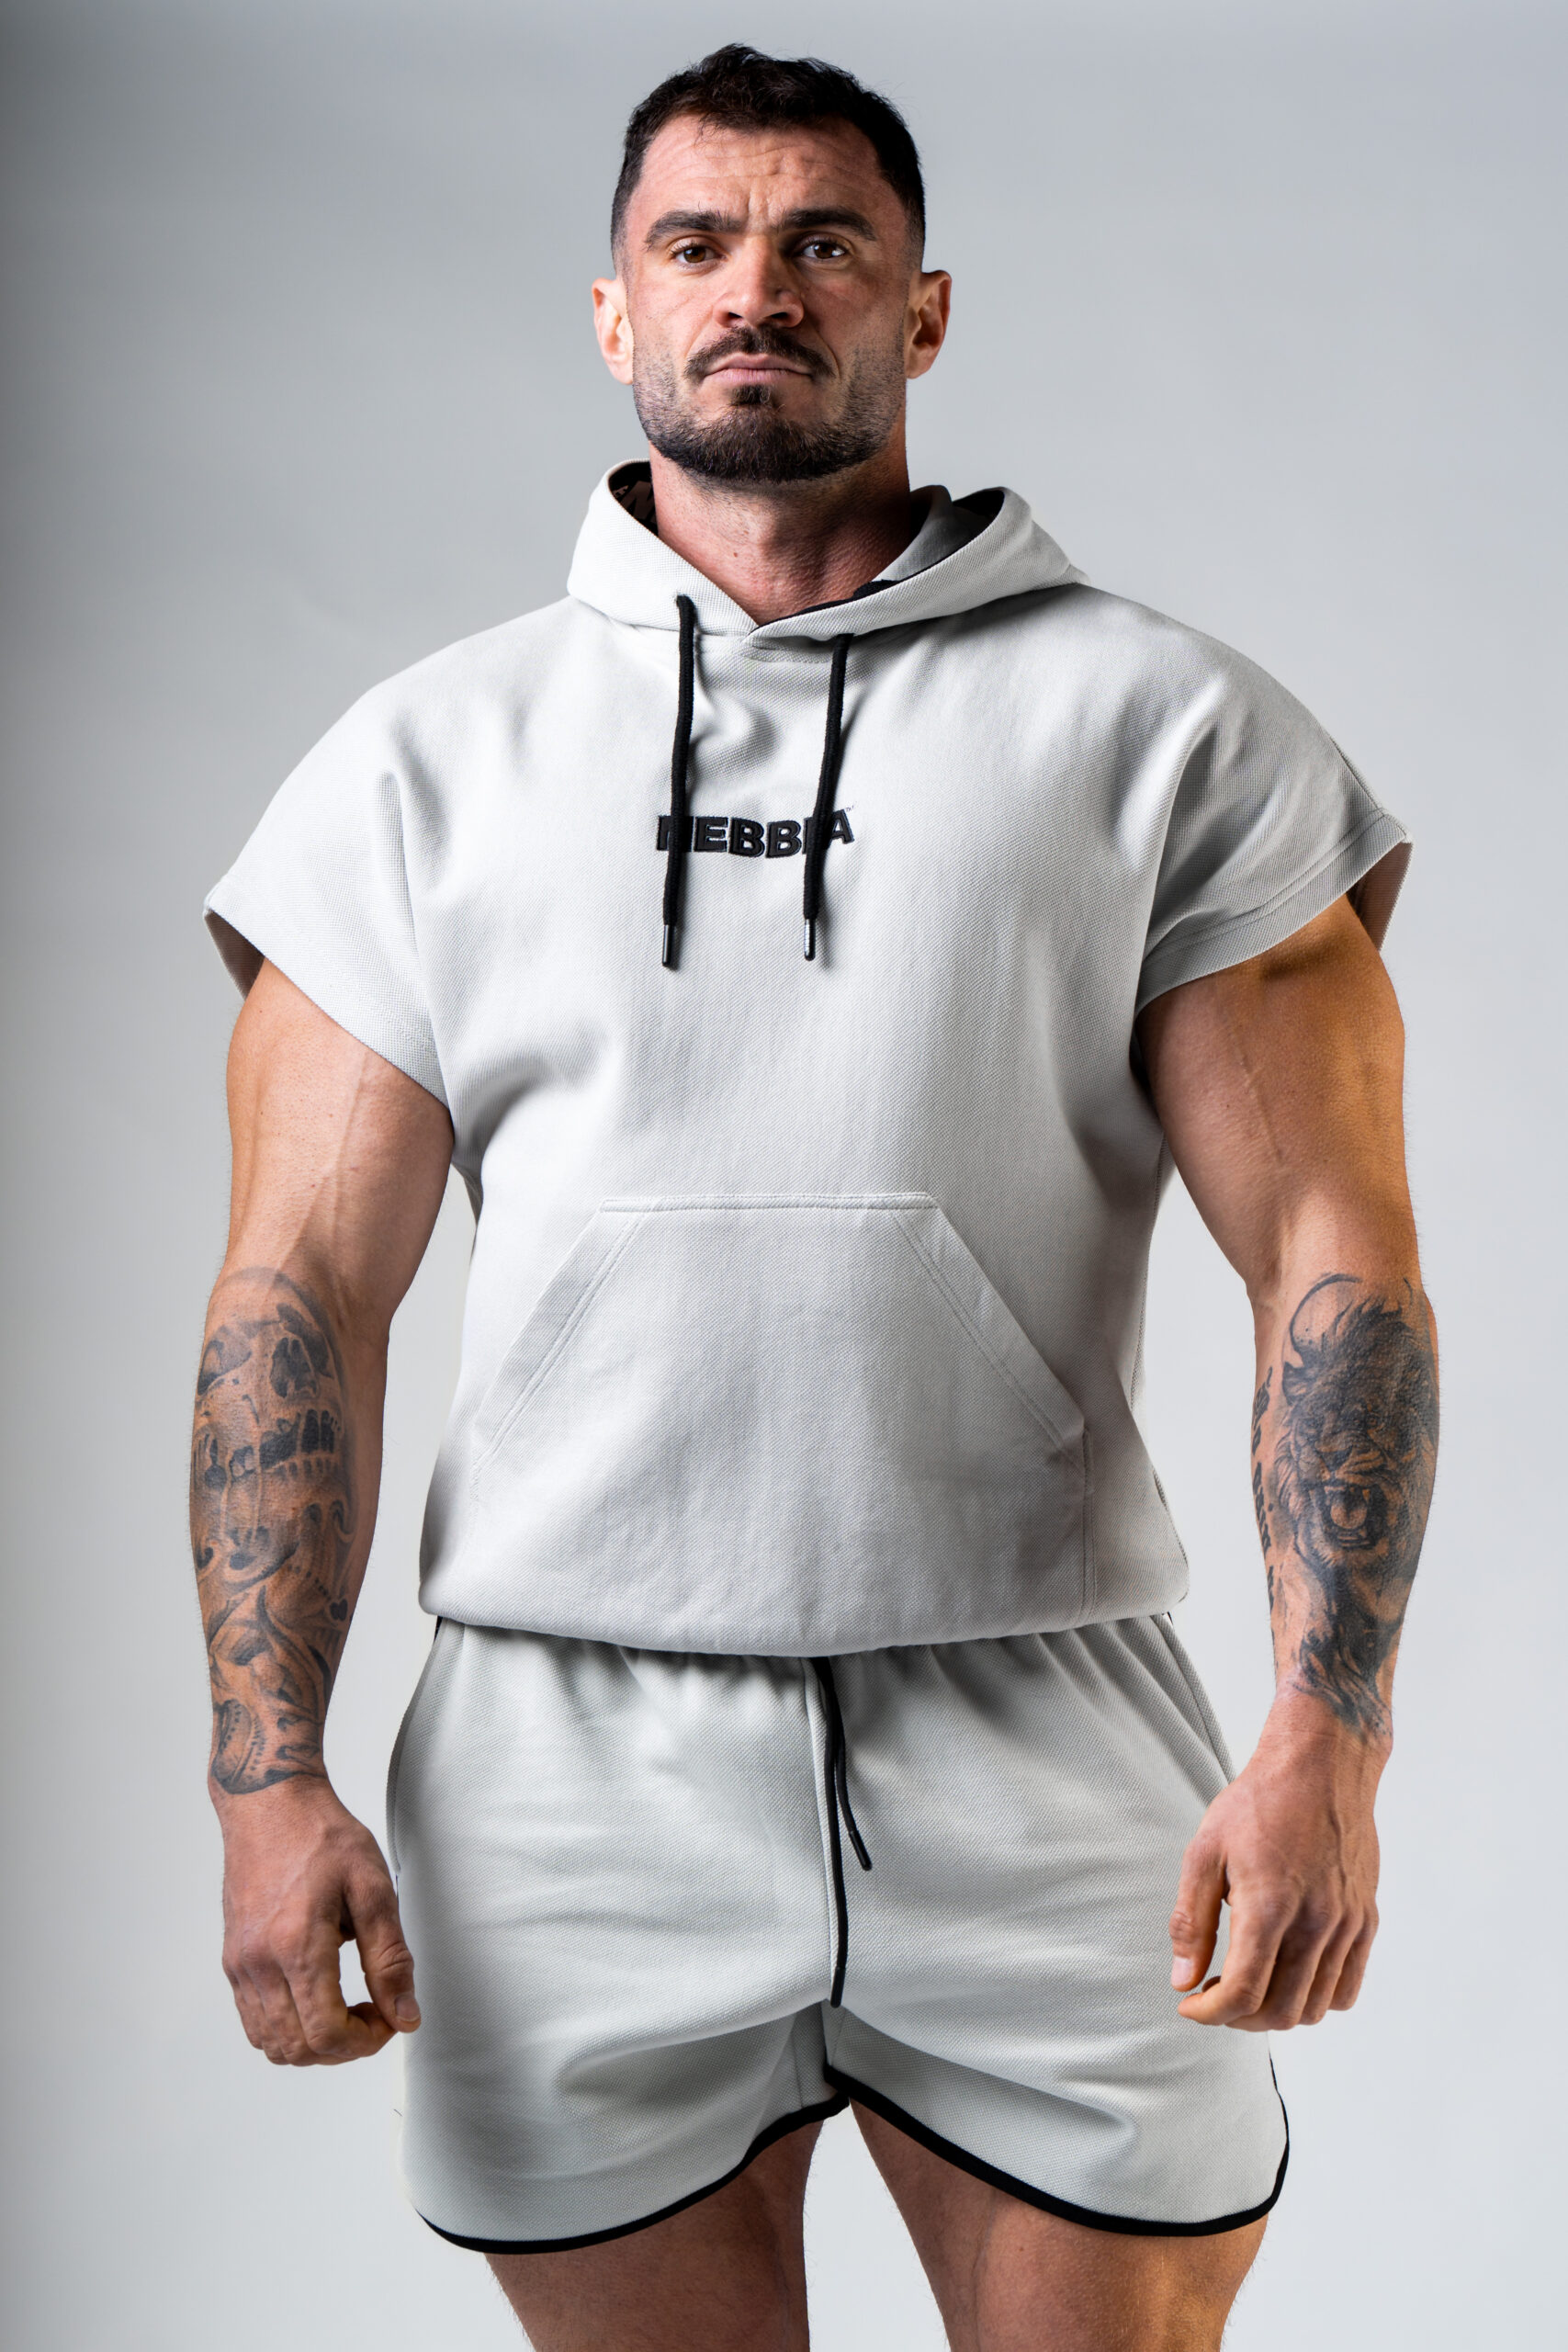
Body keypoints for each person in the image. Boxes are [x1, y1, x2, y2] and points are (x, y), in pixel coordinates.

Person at [190, 44, 1438, 2352]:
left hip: (1037, 1721)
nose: (753, 288)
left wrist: (1325, 1739)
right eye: (695, 243)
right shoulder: (416, 771)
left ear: (920, 308)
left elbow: (1329, 1258)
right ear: (614, 310)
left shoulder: (1166, 731)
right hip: (567, 1755)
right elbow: (296, 1295)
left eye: (821, 242)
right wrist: (267, 1779)